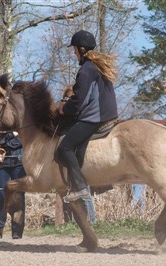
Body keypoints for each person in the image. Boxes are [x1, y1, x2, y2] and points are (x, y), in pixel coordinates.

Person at [55, 29, 118, 219]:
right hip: (108, 114)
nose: (73, 52)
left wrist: (63, 109)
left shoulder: (86, 69)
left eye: (74, 49)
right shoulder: (96, 66)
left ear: (80, 49)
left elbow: (79, 99)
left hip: (95, 117)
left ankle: (81, 187)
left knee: (64, 148)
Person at [60, 85, 96, 224]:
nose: (70, 100)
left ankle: (91, 220)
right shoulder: (66, 115)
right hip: (69, 160)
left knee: (82, 186)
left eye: (72, 98)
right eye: (68, 97)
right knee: (74, 189)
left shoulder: (82, 116)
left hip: (79, 158)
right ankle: (76, 221)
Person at [0, 131, 26, 239]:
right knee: (1, 194)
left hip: (19, 161)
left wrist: (2, 141)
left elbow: (22, 139)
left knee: (18, 195)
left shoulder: (22, 119)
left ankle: (17, 230)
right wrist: (10, 136)